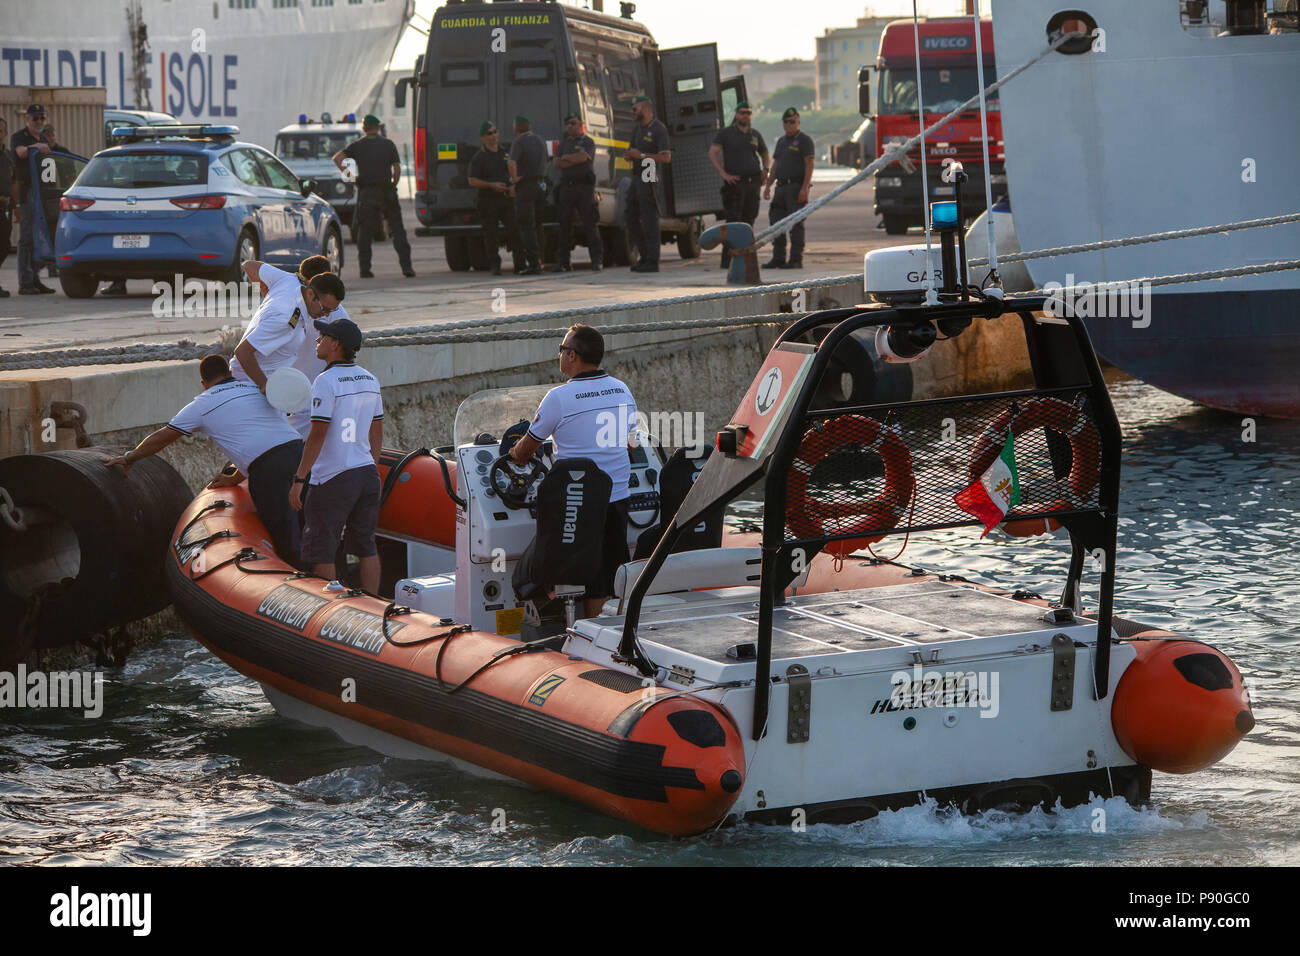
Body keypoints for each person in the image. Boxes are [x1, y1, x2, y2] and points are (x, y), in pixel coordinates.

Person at [101, 354, 305, 565]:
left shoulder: (202, 405)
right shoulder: (255, 388)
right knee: (309, 524)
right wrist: (235, 477)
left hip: (269, 469)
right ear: (230, 373)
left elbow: (162, 438)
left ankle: (304, 587)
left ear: (203, 384)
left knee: (286, 535)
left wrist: (130, 457)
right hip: (301, 454)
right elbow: (266, 436)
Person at [509, 324, 637, 617]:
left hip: (576, 502)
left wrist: (513, 453)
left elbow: (526, 450)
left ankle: (556, 615)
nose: (560, 355)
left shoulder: (559, 398)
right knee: (606, 579)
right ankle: (606, 641)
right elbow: (630, 445)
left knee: (543, 569)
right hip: (616, 497)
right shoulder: (622, 389)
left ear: (573, 356)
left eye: (562, 349)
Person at [290, 318, 384, 594]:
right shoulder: (370, 378)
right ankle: (374, 603)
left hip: (332, 477)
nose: (318, 342)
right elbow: (376, 432)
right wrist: (369, 465)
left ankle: (327, 610)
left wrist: (299, 479)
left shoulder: (325, 381)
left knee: (322, 547)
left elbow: (318, 434)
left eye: (323, 337)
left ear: (335, 345)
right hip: (367, 473)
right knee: (366, 545)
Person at [230, 263, 344, 399]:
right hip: (250, 386)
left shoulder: (288, 279)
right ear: (310, 294)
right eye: (324, 309)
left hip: (270, 381)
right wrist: (265, 386)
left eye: (331, 311)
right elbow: (242, 352)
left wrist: (267, 295)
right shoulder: (285, 319)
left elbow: (250, 265)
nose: (326, 315)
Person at [332, 114, 413, 279]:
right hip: (387, 192)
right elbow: (396, 168)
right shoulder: (388, 144)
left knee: (365, 232)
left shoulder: (358, 146)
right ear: (378, 128)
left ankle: (365, 270)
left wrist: (353, 178)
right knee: (397, 229)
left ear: (364, 129)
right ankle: (406, 267)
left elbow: (337, 158)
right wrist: (393, 184)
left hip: (367, 192)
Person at [708, 101, 769, 269]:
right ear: (736, 115)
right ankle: (727, 260)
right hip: (735, 184)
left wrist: (766, 169)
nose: (745, 116)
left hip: (753, 183)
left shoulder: (755, 135)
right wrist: (723, 173)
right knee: (734, 222)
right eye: (742, 112)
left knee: (749, 221)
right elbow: (712, 152)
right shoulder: (726, 133)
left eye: (748, 113)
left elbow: (764, 153)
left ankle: (746, 257)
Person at [467, 121, 524, 276]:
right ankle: (495, 265)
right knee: (491, 235)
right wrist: (491, 185)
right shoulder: (479, 157)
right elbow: (472, 180)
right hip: (488, 201)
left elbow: (514, 173)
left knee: (515, 231)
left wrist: (513, 186)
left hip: (506, 199)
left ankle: (519, 265)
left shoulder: (505, 154)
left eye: (495, 132)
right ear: (483, 137)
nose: (493, 136)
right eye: (489, 133)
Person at [10, 105, 55, 295]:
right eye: (35, 118)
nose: (39, 121)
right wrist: (35, 147)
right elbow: (21, 152)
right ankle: (25, 281)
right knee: (27, 238)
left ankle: (36, 278)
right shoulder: (20, 137)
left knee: (42, 236)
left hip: (42, 192)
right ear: (27, 119)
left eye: (42, 118)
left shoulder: (44, 138)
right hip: (27, 191)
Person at [623, 96, 671, 273]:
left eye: (635, 109)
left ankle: (652, 259)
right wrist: (630, 155)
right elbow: (632, 151)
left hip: (649, 169)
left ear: (646, 109)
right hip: (637, 173)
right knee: (630, 215)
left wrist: (641, 156)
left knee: (649, 216)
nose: (633, 113)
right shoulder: (637, 129)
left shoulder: (658, 129)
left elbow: (665, 157)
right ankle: (643, 255)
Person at [764, 108, 815, 269]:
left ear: (798, 122)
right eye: (786, 122)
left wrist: (804, 188)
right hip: (780, 188)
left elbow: (809, 164)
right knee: (776, 223)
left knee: (795, 224)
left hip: (795, 187)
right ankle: (778, 257)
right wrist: (767, 185)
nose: (788, 125)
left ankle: (795, 259)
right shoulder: (781, 141)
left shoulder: (804, 140)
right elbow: (776, 165)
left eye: (792, 122)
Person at [552, 111, 602, 273]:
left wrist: (567, 158)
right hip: (567, 188)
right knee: (564, 225)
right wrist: (572, 158)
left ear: (580, 125)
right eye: (568, 124)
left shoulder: (587, 141)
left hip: (584, 189)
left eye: (573, 123)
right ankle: (563, 262)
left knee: (590, 224)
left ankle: (596, 260)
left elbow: (584, 158)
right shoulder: (563, 143)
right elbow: (557, 164)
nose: (570, 126)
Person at [507, 115, 547, 276]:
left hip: (526, 186)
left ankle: (533, 264)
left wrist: (515, 179)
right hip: (540, 185)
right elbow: (547, 161)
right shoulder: (540, 140)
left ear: (516, 128)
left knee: (526, 226)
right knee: (538, 224)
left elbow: (511, 162)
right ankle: (541, 260)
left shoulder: (519, 142)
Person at [38, 124, 65, 279]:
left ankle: (53, 264)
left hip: (56, 196)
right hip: (43, 195)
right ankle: (47, 264)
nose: (51, 138)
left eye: (52, 135)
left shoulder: (61, 152)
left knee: (55, 230)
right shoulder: (39, 153)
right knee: (43, 231)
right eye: (48, 135)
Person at [0, 117, 12, 298]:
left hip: (4, 205)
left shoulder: (7, 155)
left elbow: (15, 181)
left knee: (4, 245)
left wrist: (16, 206)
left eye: (1, 131)